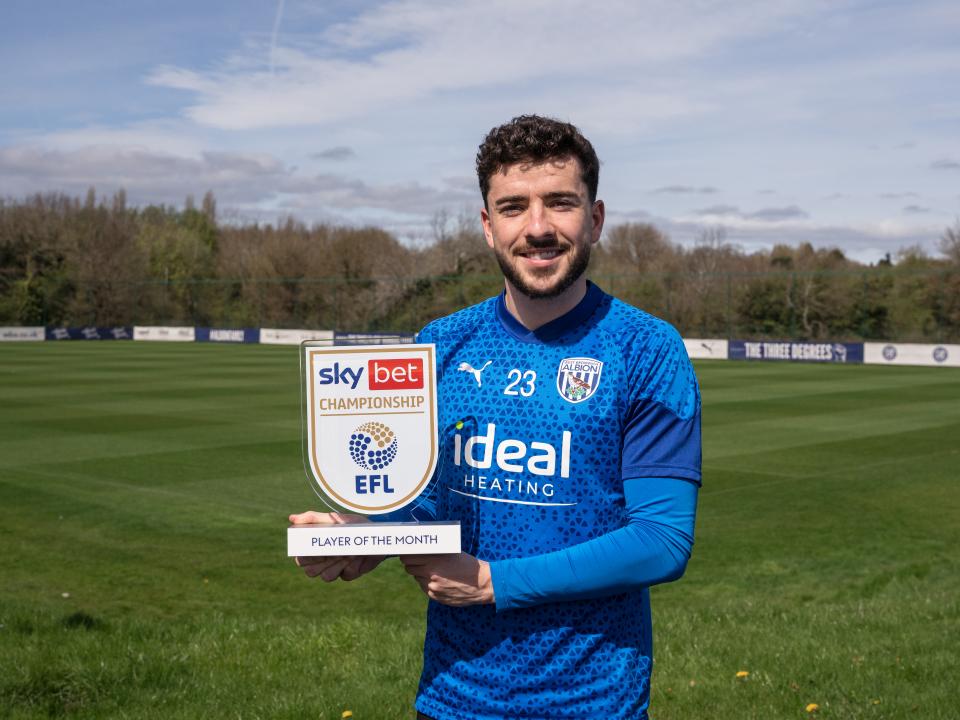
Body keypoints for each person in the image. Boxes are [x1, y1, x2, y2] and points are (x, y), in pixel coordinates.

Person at [291, 114, 701, 719]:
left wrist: (492, 583)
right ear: (488, 226)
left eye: (560, 203)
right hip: (454, 695)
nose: (537, 228)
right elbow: (421, 500)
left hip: (593, 703)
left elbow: (662, 541)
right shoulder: (442, 343)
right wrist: (357, 534)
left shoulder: (645, 349)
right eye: (513, 207)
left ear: (595, 218)